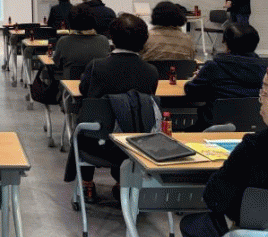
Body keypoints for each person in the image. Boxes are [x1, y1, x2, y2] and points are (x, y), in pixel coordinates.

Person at [71, 14, 159, 201]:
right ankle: (122, 184)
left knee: (86, 120)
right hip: (135, 145)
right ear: (144, 40)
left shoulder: (96, 67)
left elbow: (84, 90)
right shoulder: (151, 72)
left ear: (111, 37)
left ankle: (86, 183)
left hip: (97, 142)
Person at [179, 75, 268, 237]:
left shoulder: (253, 147)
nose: (260, 99)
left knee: (191, 223)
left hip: (245, 230)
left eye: (266, 92)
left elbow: (214, 198)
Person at [184, 23, 266, 130]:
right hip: (256, 129)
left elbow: (192, 92)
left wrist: (196, 78)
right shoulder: (265, 70)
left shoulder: (214, 67)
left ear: (226, 44)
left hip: (213, 129)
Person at [53, 6, 110, 79]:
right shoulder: (103, 40)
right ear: (93, 21)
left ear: (70, 22)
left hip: (70, 83)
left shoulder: (63, 41)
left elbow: (56, 63)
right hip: (96, 83)